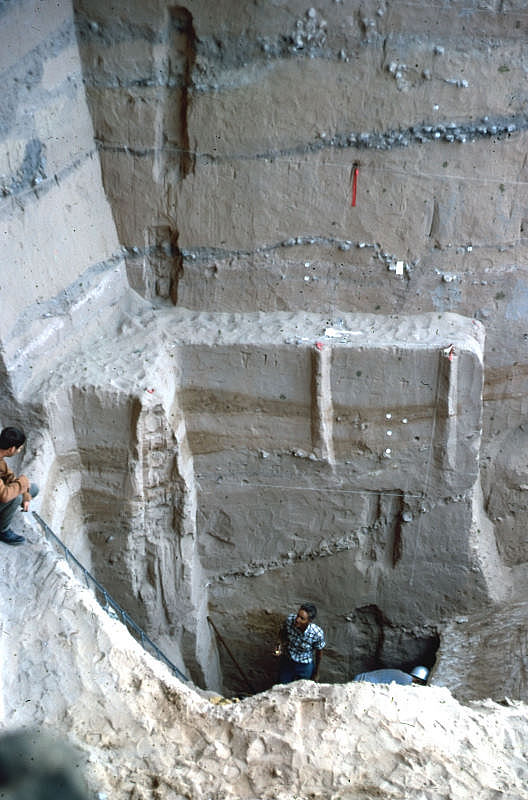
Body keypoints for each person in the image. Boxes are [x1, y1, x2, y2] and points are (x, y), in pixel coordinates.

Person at [0, 427, 38, 545]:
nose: (20, 450)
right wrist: (22, 482)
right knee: (15, 498)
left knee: (33, 489)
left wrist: (26, 494)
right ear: (12, 449)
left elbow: (10, 477)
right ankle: (2, 530)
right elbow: (5, 495)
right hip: (3, 495)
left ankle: (7, 512)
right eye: (19, 448)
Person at [276, 603, 326, 684]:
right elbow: (282, 633)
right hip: (288, 661)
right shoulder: (290, 620)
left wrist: (316, 673)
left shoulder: (317, 633)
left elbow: (319, 654)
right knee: (282, 686)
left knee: (302, 689)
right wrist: (279, 646)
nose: (297, 620)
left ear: (309, 621)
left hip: (305, 665)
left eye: (302, 618)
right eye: (297, 615)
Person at [353, 665, 430, 686]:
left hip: (360, 677)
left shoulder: (400, 674)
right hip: (363, 684)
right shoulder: (406, 681)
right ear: (419, 680)